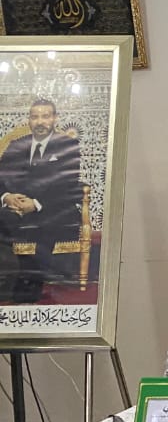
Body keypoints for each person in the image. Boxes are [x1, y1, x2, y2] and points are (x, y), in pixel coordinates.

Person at [0, 99, 83, 303]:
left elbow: (67, 184)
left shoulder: (67, 146)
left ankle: (30, 286)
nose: (40, 122)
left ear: (55, 118)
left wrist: (35, 203)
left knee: (43, 223)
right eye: (35, 116)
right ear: (29, 120)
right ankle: (8, 281)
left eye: (45, 116)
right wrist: (6, 196)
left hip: (52, 208)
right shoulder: (16, 145)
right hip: (16, 208)